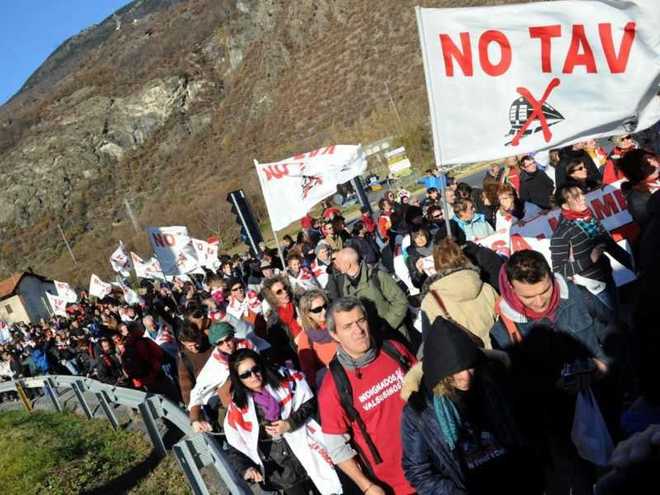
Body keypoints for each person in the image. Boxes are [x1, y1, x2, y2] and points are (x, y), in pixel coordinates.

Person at [490, 250, 614, 495]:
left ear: (550, 277)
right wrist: (550, 387)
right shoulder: (502, 330)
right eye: (528, 296)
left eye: (544, 291)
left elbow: (612, 330)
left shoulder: (577, 294)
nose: (540, 302)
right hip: (559, 429)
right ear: (511, 290)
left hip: (605, 406)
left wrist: (604, 363)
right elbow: (513, 389)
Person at [401, 318, 543, 495]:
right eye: (455, 371)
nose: (465, 376)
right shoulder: (420, 410)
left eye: (470, 368)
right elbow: (418, 471)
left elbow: (524, 428)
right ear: (439, 371)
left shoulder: (493, 382)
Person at [318, 297, 417, 494]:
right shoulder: (333, 387)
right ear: (334, 334)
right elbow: (337, 448)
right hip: (394, 484)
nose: (358, 330)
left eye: (361, 321)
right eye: (347, 326)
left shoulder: (394, 350)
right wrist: (367, 486)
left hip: (437, 463)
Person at [224, 349, 342, 495]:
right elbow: (236, 445)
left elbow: (310, 402)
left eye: (256, 369)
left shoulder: (286, 378)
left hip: (312, 454)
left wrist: (290, 423)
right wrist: (246, 469)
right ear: (238, 379)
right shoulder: (238, 408)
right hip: (283, 472)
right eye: (245, 375)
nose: (253, 376)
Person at [550, 185, 633, 312]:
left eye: (582, 194)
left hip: (606, 277)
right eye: (576, 197)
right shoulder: (563, 232)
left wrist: (634, 266)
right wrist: (590, 259)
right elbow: (559, 270)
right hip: (591, 288)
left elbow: (609, 245)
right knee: (615, 324)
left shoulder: (589, 218)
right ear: (565, 206)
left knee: (620, 316)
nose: (583, 198)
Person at [420, 238, 498, 349]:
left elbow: (431, 345)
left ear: (437, 264)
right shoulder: (486, 287)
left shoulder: (430, 302)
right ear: (463, 258)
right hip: (499, 354)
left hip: (467, 362)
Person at [327, 247, 410, 343]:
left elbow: (401, 301)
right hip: (372, 340)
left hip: (395, 334)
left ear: (347, 264)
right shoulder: (346, 286)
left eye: (337, 262)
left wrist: (387, 325)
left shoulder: (377, 276)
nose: (335, 265)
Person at [187, 321, 256, 432]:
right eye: (220, 343)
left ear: (233, 335)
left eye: (228, 339)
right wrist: (195, 418)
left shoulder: (248, 345)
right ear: (215, 345)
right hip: (235, 404)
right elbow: (198, 390)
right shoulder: (215, 364)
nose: (226, 345)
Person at [296, 289, 338, 390]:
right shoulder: (306, 338)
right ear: (307, 314)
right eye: (317, 310)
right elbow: (310, 375)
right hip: (333, 384)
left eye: (325, 306)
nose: (324, 311)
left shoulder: (339, 321)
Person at [617, 149, 660, 230]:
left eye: (652, 158)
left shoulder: (657, 180)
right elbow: (651, 226)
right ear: (637, 170)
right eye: (646, 163)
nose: (654, 164)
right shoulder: (637, 198)